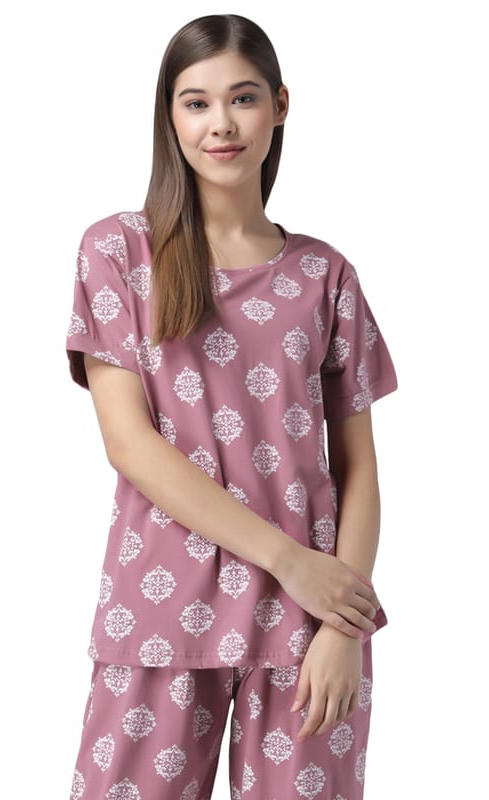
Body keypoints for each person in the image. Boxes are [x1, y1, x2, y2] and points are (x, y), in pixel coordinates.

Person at [65, 13, 397, 800]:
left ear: (279, 106)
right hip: (160, 610)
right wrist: (290, 563)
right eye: (196, 102)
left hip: (310, 623)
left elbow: (358, 470)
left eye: (242, 98)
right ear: (169, 116)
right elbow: (129, 444)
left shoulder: (324, 275)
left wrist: (342, 626)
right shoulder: (119, 252)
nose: (220, 123)